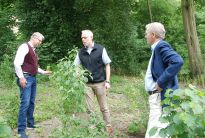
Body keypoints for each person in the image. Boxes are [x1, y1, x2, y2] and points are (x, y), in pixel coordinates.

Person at [144, 22, 183, 138]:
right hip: (157, 97)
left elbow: (177, 61)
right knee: (162, 132)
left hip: (160, 96)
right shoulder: (156, 49)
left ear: (153, 35)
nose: (145, 36)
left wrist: (160, 82)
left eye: (147, 33)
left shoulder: (161, 46)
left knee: (155, 133)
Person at [74, 30, 113, 136]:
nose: (83, 40)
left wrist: (108, 81)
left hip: (100, 83)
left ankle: (109, 129)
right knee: (89, 109)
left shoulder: (100, 49)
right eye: (82, 38)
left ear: (91, 37)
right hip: (87, 85)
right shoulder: (80, 52)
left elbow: (107, 65)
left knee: (104, 108)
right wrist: (78, 75)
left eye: (85, 37)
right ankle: (92, 130)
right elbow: (76, 65)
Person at [14, 32, 52, 138]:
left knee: (31, 102)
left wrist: (44, 72)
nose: (40, 43)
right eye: (39, 41)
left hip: (32, 78)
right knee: (25, 103)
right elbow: (17, 63)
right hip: (26, 78)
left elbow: (34, 66)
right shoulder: (24, 47)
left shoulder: (33, 51)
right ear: (34, 38)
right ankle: (21, 130)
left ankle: (30, 124)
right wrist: (21, 77)